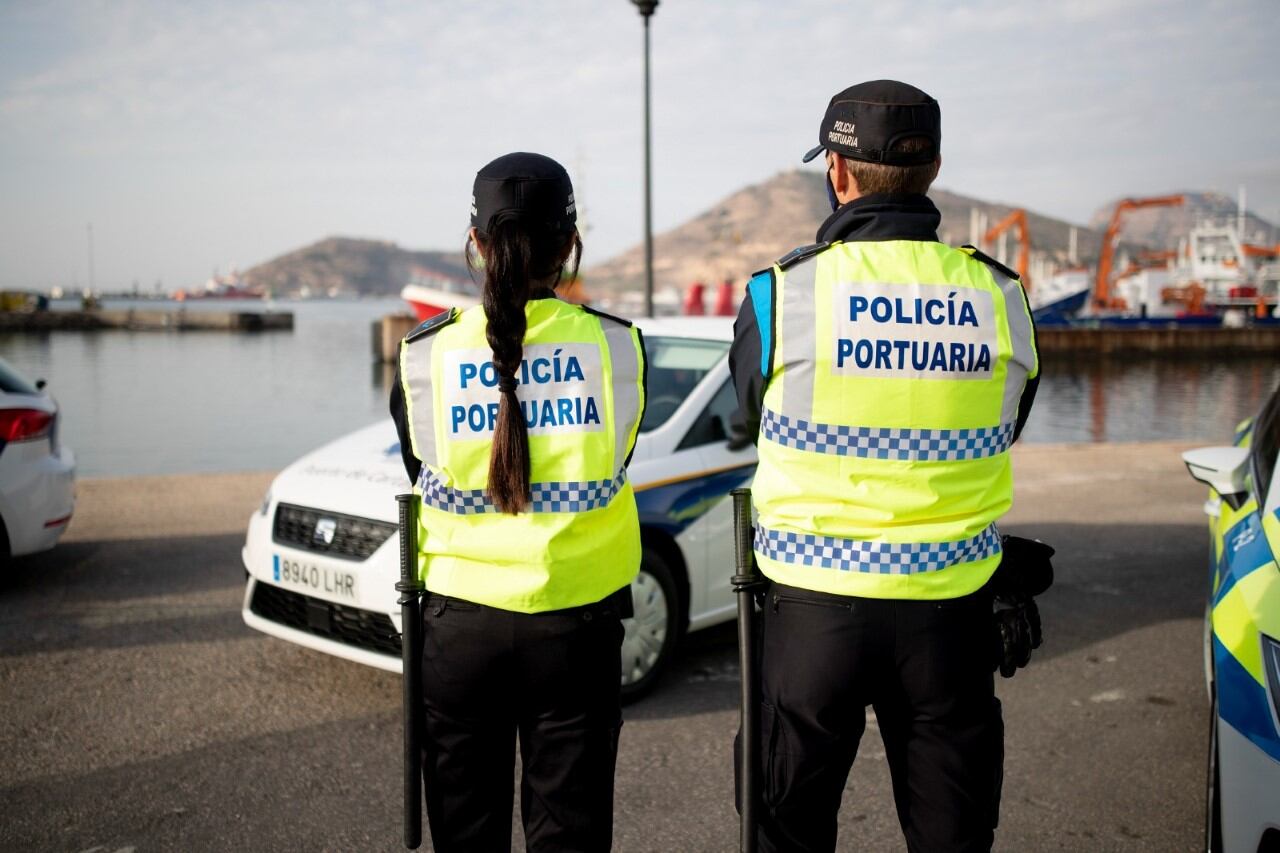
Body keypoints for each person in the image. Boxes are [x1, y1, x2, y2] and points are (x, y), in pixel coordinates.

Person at [729, 80, 1040, 853]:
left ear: (837, 171)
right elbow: (1008, 423)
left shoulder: (783, 295)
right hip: (950, 616)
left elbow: (748, 417)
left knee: (785, 833)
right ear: (932, 168)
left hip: (811, 617)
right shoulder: (1001, 297)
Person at [389, 152, 646, 853]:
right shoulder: (619, 350)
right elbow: (619, 454)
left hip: (458, 630)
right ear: (570, 246)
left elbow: (421, 465)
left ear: (476, 244)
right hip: (576, 626)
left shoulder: (423, 356)